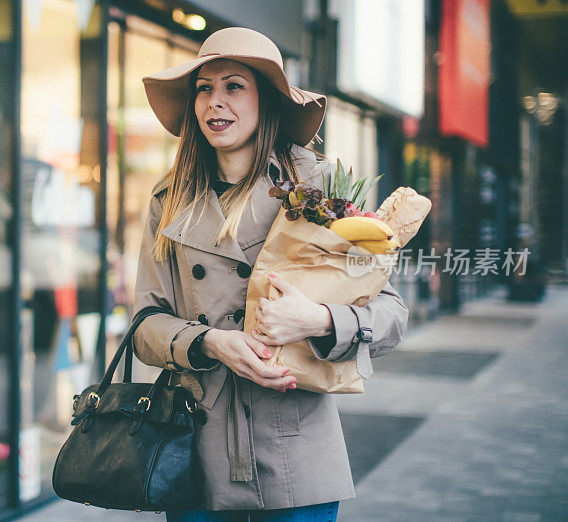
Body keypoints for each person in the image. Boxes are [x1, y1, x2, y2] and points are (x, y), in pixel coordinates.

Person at [133, 27, 409, 521]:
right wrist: (210, 343)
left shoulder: (319, 187)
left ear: (267, 99)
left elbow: (391, 313)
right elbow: (144, 325)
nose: (215, 102)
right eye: (203, 88)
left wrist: (319, 319)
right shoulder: (168, 199)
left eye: (233, 86)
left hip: (295, 452)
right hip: (193, 449)